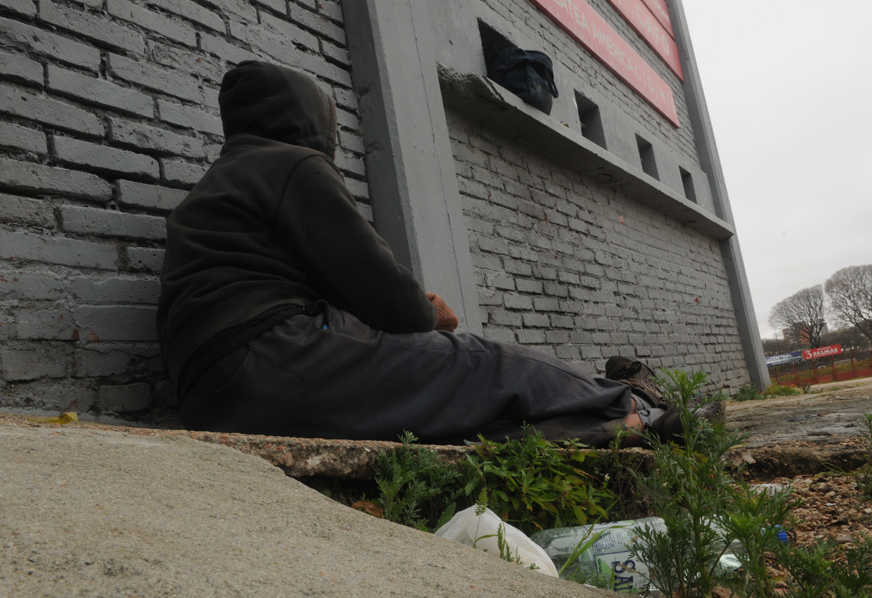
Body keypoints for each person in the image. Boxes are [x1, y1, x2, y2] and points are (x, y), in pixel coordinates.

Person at [157, 61, 709, 447]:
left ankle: (613, 427)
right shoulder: (290, 165)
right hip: (276, 359)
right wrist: (431, 316)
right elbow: (388, 298)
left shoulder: (216, 187)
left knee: (451, 418)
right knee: (482, 361)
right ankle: (633, 404)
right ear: (305, 116)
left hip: (214, 395)